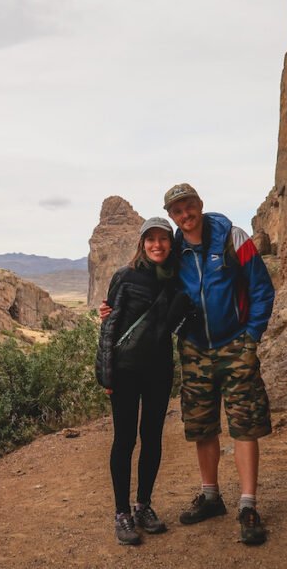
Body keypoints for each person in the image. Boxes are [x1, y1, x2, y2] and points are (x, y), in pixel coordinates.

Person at [163, 183, 275, 546]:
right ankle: (211, 496)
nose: (185, 214)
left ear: (200, 204)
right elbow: (146, 284)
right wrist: (113, 307)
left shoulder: (230, 236)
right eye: (177, 211)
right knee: (202, 426)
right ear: (171, 216)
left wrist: (252, 336)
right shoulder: (173, 249)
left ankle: (248, 505)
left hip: (234, 344)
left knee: (245, 424)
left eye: (189, 206)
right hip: (195, 349)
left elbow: (261, 287)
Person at [95, 217, 189, 546]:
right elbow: (110, 326)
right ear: (142, 243)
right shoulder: (125, 277)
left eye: (163, 239)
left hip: (159, 371)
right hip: (124, 371)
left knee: (152, 439)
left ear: (170, 243)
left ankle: (143, 506)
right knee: (124, 440)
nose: (157, 245)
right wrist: (106, 374)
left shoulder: (178, 281)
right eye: (151, 239)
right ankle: (122, 513)